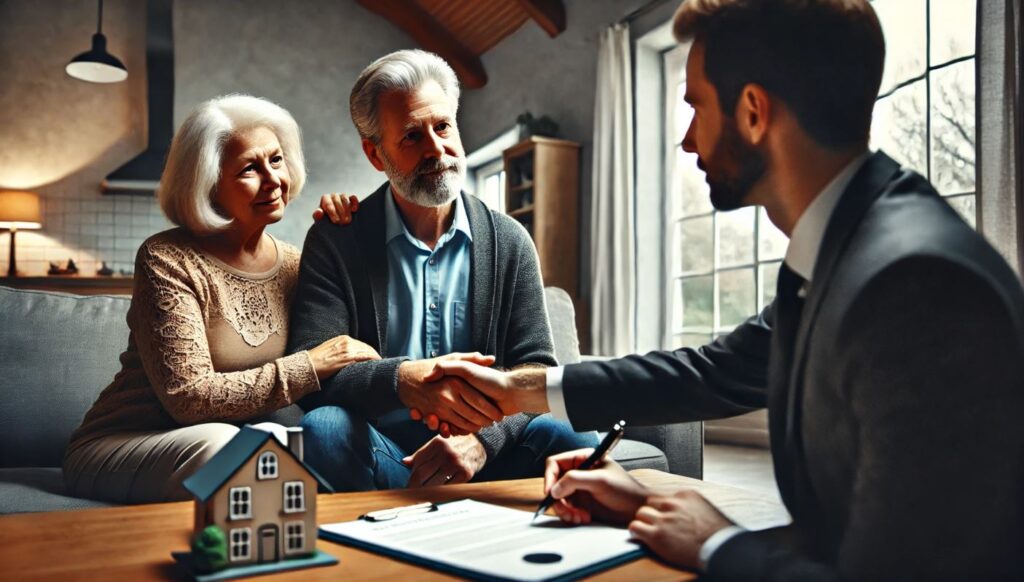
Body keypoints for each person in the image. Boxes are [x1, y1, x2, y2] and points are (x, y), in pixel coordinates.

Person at [423, 1, 1024, 579]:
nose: (688, 140)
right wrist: (517, 392)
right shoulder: (842, 246)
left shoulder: (915, 288)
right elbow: (710, 373)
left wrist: (718, 543)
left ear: (755, 112)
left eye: (697, 106)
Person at [287, 49, 597, 492]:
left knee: (578, 434)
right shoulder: (336, 240)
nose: (436, 149)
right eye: (412, 136)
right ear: (376, 155)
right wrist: (402, 380)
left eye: (443, 126)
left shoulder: (511, 240)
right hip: (389, 458)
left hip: (490, 457)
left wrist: (482, 441)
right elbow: (315, 373)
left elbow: (538, 368)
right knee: (326, 428)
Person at [63, 95, 372, 503]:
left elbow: (357, 345)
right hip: (126, 443)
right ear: (207, 184)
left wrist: (345, 235)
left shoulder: (298, 265)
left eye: (276, 160)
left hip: (241, 445)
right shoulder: (168, 259)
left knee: (282, 442)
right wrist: (309, 366)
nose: (272, 179)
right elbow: (188, 399)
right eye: (249, 168)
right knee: (229, 449)